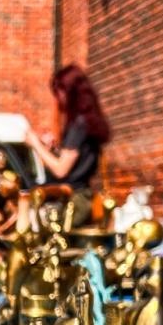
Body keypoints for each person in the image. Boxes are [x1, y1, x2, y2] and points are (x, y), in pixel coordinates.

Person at [26, 64, 111, 223]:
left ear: (70, 92)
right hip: (81, 199)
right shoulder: (86, 123)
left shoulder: (79, 125)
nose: (59, 99)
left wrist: (35, 144)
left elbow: (61, 170)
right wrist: (53, 149)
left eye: (60, 93)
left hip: (73, 202)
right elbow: (73, 162)